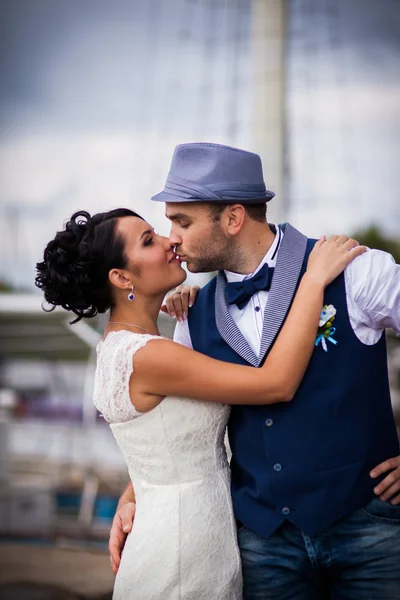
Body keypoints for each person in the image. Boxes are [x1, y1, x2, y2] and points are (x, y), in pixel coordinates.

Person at [112, 143, 400, 599]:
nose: (172, 238)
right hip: (263, 543)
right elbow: (182, 431)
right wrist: (133, 496)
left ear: (232, 219)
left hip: (369, 528)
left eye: (182, 222)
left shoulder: (354, 270)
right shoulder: (193, 317)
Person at [35, 206, 363, 600]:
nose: (169, 240)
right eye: (148, 241)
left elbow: (159, 442)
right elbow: (276, 383)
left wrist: (131, 493)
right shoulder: (149, 357)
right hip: (183, 553)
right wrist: (313, 282)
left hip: (183, 539)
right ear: (122, 277)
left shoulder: (122, 348)